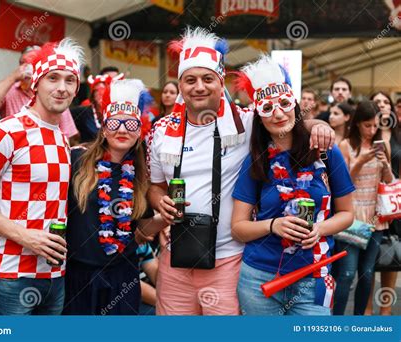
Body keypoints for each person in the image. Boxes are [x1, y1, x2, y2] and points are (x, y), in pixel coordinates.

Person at [148, 28, 335, 316]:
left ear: (220, 81)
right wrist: (158, 200)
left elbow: (282, 121)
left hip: (229, 260)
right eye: (190, 79)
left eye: (207, 78)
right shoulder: (160, 131)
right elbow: (155, 185)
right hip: (177, 256)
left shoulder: (246, 122)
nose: (199, 87)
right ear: (180, 84)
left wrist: (318, 125)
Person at [0, 38, 85, 315]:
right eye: (53, 78)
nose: (61, 88)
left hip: (53, 275)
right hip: (10, 275)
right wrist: (26, 236)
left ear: (76, 90)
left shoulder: (62, 139)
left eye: (70, 81)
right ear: (36, 83)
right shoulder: (8, 131)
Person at [231, 55, 355, 316]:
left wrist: (319, 228)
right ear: (259, 117)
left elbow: (347, 214)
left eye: (284, 103)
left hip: (313, 277)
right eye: (267, 108)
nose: (277, 113)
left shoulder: (325, 151)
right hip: (259, 279)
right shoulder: (256, 161)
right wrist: (273, 225)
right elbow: (239, 228)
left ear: (295, 106)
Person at [62, 79, 167, 315]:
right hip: (79, 276)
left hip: (123, 275)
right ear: (104, 128)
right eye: (115, 123)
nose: (122, 130)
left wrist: (168, 219)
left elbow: (141, 229)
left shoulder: (142, 173)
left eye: (130, 124)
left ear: (139, 130)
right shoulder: (76, 160)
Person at [333, 101, 394, 315]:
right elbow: (343, 183)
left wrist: (385, 165)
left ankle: (358, 322)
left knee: (367, 274)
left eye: (375, 125)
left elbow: (389, 180)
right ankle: (336, 322)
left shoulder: (382, 145)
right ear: (358, 124)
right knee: (347, 274)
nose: (372, 130)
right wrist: (360, 161)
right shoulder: (345, 145)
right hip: (352, 217)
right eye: (367, 125)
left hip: (376, 219)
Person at [0, 45, 80, 145]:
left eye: (32, 63)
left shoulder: (56, 95)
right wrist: (12, 77)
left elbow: (68, 136)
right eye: (23, 63)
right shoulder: (9, 91)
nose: (27, 67)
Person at [365, 91, 400, 315]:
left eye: (385, 101)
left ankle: (385, 310)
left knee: (393, 252)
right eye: (376, 102)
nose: (382, 105)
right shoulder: (366, 133)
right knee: (368, 260)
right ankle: (366, 308)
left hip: (395, 202)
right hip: (368, 201)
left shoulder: (398, 135)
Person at [70, 73, 124, 143]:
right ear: (93, 95)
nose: (100, 94)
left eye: (104, 90)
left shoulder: (119, 113)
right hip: (88, 152)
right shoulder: (83, 112)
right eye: (97, 91)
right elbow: (63, 114)